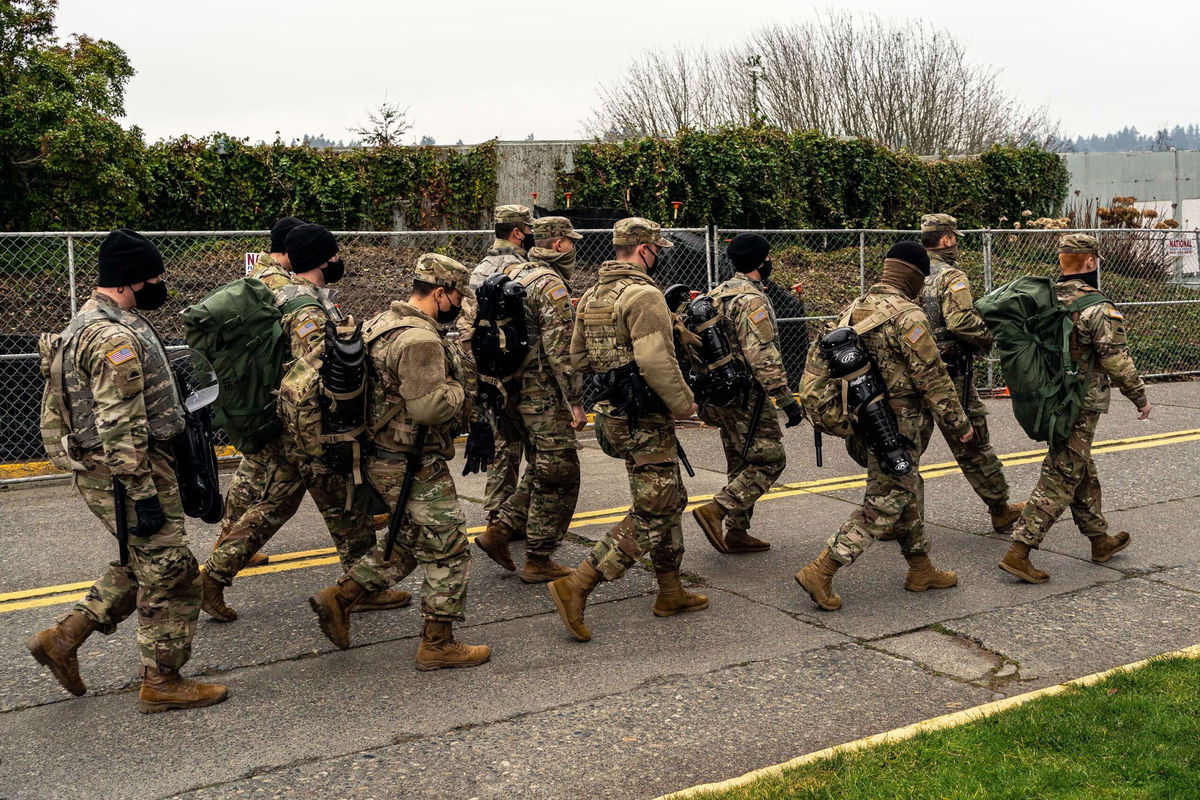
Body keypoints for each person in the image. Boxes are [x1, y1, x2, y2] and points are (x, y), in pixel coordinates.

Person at [27, 229, 227, 712]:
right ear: (131, 279)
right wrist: (142, 493)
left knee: (143, 562)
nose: (161, 285)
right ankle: (161, 680)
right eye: (155, 277)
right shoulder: (112, 337)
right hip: (125, 470)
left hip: (123, 466)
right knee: (173, 573)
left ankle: (63, 640)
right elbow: (119, 423)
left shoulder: (96, 320)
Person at [201, 223, 410, 622]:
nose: (338, 261)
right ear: (323, 259)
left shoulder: (286, 292)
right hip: (310, 430)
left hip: (289, 426)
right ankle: (360, 586)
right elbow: (314, 373)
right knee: (331, 507)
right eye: (333, 255)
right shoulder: (305, 308)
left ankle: (213, 578)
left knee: (292, 506)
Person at [308, 254, 490, 670]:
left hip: (379, 454)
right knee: (449, 551)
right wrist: (463, 392)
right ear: (441, 292)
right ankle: (438, 643)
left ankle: (342, 597)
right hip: (411, 461)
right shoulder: (419, 340)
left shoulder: (380, 324)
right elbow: (429, 408)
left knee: (409, 540)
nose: (460, 305)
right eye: (458, 296)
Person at [548, 218, 705, 642]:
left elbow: (577, 358)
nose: (660, 257)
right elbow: (656, 360)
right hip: (645, 418)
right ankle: (579, 583)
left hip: (614, 414)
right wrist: (684, 404)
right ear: (644, 249)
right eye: (659, 249)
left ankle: (670, 591)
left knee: (667, 498)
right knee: (655, 507)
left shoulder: (595, 294)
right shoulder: (644, 294)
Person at [795, 241, 973, 611]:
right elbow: (933, 378)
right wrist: (959, 424)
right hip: (897, 425)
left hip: (861, 419)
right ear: (915, 277)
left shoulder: (851, 310)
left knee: (906, 488)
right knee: (887, 500)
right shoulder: (909, 316)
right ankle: (822, 570)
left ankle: (920, 568)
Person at [999, 234, 1150, 583]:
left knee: (1079, 466)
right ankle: (1019, 550)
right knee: (1062, 474)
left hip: (1049, 396)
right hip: (1080, 401)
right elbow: (1115, 359)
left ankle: (1099, 540)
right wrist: (1139, 397)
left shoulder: (1045, 299)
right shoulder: (1098, 306)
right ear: (1091, 262)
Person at [474, 217, 588, 582]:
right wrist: (575, 400)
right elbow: (561, 351)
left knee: (542, 465)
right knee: (562, 470)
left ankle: (501, 531)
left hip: (509, 390)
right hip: (541, 393)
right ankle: (538, 556)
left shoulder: (516, 274)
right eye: (571, 242)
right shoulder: (550, 284)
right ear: (558, 245)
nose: (573, 248)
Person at [691, 233, 806, 554]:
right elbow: (761, 355)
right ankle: (716, 511)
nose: (770, 261)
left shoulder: (718, 294)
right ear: (760, 261)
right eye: (768, 257)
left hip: (719, 394)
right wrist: (786, 400)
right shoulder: (751, 300)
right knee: (771, 460)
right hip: (747, 396)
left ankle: (737, 532)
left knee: (741, 461)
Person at [918, 213, 1023, 533]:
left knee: (905, 446)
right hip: (951, 375)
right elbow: (961, 322)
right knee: (972, 440)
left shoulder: (911, 271)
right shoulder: (951, 276)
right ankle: (999, 507)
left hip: (913, 371)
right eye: (955, 238)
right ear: (947, 239)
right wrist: (988, 338)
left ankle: (898, 518)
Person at [461, 205, 537, 539]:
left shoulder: (479, 268)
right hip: (517, 367)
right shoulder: (519, 269)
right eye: (529, 230)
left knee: (504, 443)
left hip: (486, 366)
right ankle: (518, 516)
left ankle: (497, 512)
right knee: (530, 444)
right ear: (518, 232)